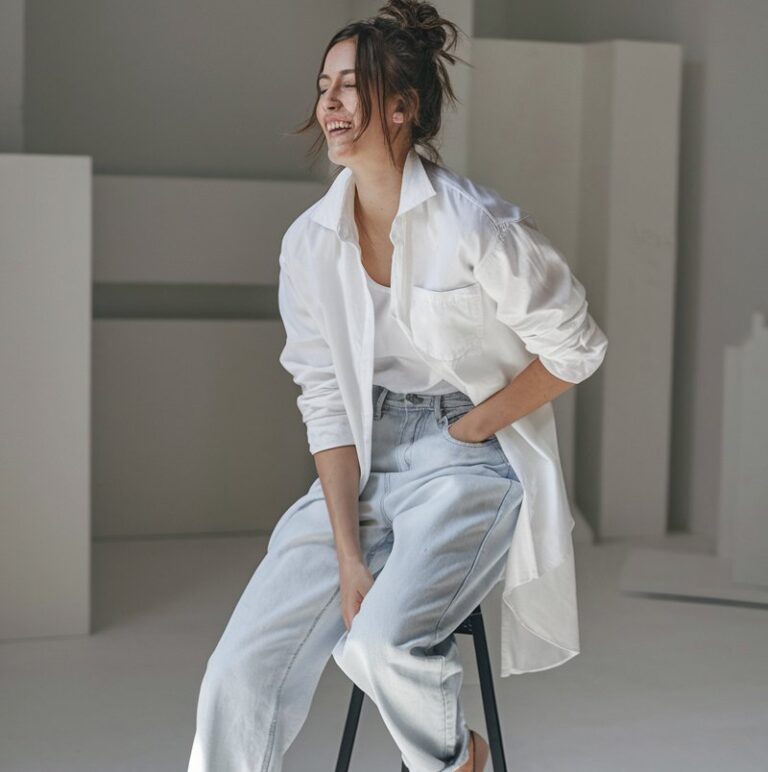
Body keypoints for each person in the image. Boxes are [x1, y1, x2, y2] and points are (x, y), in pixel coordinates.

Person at [187, 1, 608, 770]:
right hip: (363, 454)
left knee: (379, 646)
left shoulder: (476, 226)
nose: (331, 103)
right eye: (324, 87)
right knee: (237, 672)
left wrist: (474, 427)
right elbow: (324, 401)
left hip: (466, 462)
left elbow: (577, 345)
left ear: (402, 107)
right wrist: (349, 554)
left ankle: (457, 762)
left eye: (352, 86)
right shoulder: (308, 245)